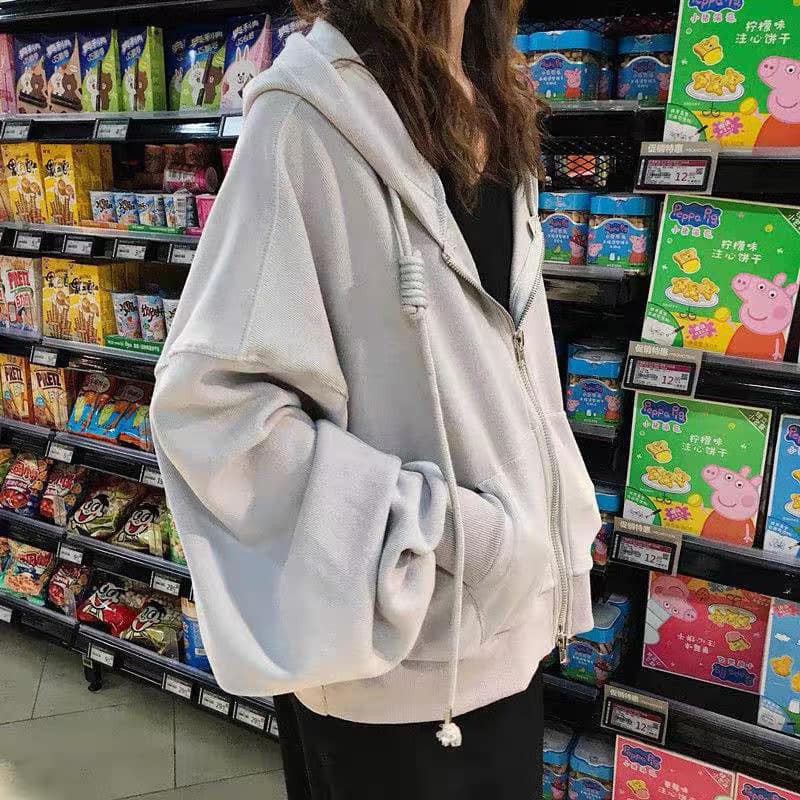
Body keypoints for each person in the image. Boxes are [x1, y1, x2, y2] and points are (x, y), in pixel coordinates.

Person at [150, 1, 600, 797]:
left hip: (507, 639)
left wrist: (547, 526)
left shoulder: (490, 92)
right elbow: (209, 408)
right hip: (396, 670)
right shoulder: (304, 118)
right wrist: (451, 536)